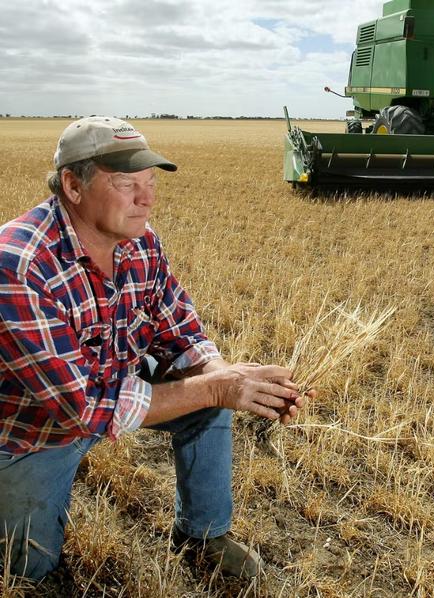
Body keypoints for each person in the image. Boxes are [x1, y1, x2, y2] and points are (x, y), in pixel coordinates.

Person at [0, 116, 307, 582]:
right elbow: (79, 409)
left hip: (107, 381)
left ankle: (203, 533)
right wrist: (217, 388)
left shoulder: (141, 243)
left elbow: (179, 329)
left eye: (149, 182)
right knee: (28, 569)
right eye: (127, 184)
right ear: (72, 185)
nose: (147, 198)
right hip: (33, 428)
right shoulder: (19, 264)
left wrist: (224, 375)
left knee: (207, 388)